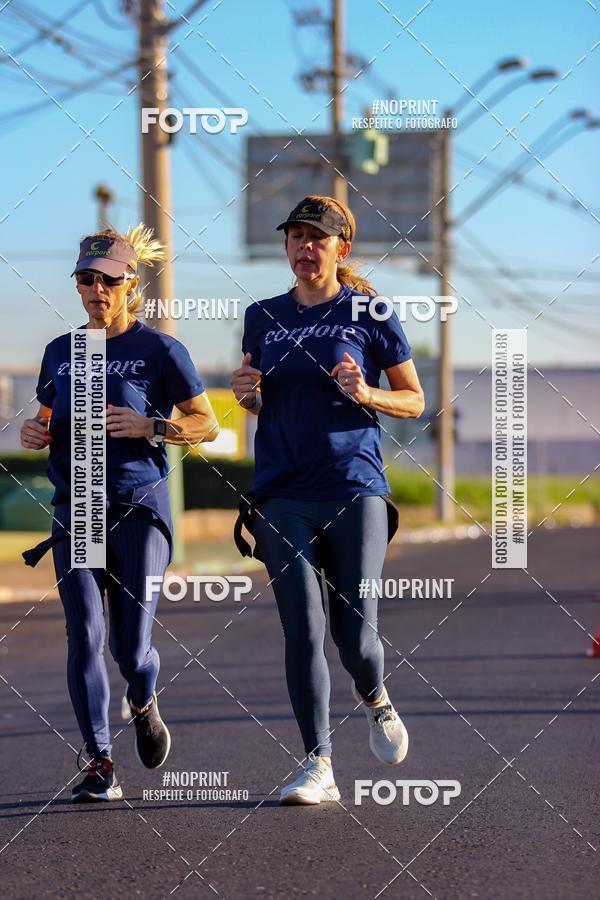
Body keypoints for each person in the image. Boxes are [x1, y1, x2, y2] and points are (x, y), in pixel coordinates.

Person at [231, 195, 425, 805]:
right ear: (286, 246)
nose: (304, 246)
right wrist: (247, 394)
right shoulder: (261, 316)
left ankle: (375, 697)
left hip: (354, 486)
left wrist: (366, 391)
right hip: (282, 492)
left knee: (356, 637)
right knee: (302, 626)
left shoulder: (370, 310)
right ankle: (319, 763)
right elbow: (258, 399)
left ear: (342, 248)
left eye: (317, 237)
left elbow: (415, 400)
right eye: (295, 236)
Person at [20, 225, 219, 802]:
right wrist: (38, 431)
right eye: (86, 278)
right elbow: (48, 416)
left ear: (132, 284)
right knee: (84, 633)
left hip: (138, 505)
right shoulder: (62, 351)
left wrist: (152, 427)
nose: (96, 289)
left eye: (108, 279)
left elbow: (209, 423)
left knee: (129, 648)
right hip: (78, 506)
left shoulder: (159, 350)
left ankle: (144, 695)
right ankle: (99, 761)